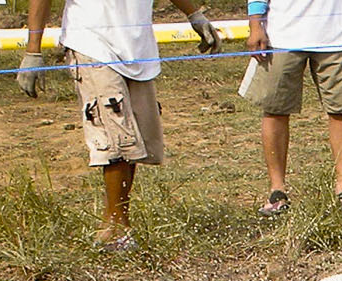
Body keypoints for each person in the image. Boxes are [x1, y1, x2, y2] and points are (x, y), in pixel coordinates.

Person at [17, 0, 221, 250]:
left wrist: (194, 14)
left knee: (133, 137)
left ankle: (120, 221)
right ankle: (113, 227)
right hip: (92, 42)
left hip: (137, 48)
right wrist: (33, 51)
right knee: (115, 137)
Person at [243, 0, 342, 217]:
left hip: (338, 37)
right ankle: (277, 192)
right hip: (281, 36)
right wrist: (255, 25)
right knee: (275, 111)